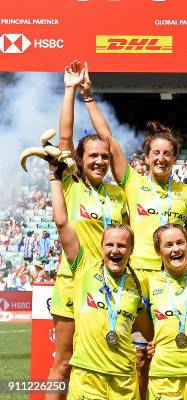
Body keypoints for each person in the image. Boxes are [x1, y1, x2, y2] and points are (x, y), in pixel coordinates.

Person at [47, 60, 128, 400]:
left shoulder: (118, 194)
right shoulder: (71, 185)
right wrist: (70, 91)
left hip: (110, 287)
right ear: (80, 160)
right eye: (92, 156)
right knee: (63, 363)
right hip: (72, 281)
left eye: (103, 157)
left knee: (102, 361)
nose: (98, 161)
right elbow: (64, 139)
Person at [48, 155, 152, 400]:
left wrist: (155, 343)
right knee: (61, 364)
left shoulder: (137, 284)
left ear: (131, 250)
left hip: (123, 383)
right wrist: (54, 176)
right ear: (101, 247)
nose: (115, 250)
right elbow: (62, 222)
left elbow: (148, 334)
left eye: (122, 246)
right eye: (110, 245)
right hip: (87, 382)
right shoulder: (84, 267)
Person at [79, 64, 187, 275]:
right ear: (147, 157)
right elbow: (109, 140)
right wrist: (88, 98)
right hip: (138, 271)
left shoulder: (186, 192)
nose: (161, 159)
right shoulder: (133, 182)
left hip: (171, 273)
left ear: (175, 159)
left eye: (167, 154)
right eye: (156, 153)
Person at [144, 224, 187, 400]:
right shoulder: (148, 283)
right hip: (163, 375)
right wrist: (154, 342)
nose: (176, 249)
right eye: (168, 245)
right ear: (158, 251)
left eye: (180, 243)